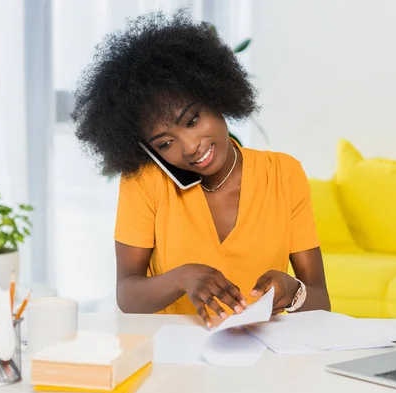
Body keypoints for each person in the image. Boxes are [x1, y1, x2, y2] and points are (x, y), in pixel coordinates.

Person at [71, 11, 330, 328]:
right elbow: (127, 295)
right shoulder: (145, 181)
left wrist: (293, 293)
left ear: (216, 96)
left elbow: (321, 301)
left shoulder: (283, 174)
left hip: (264, 358)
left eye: (193, 120)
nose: (191, 147)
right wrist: (182, 278)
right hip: (175, 356)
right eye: (165, 144)